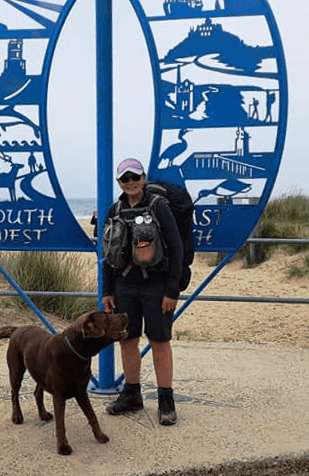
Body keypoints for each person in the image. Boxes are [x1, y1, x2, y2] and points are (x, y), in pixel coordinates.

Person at [102, 157, 183, 425]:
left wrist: (172, 290)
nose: (131, 182)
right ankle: (132, 394)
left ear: (143, 178)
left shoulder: (158, 206)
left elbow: (176, 247)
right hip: (124, 285)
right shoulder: (114, 210)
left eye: (135, 177)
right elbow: (108, 254)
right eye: (125, 179)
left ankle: (165, 400)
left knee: (159, 340)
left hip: (156, 285)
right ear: (119, 182)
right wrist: (107, 291)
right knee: (127, 339)